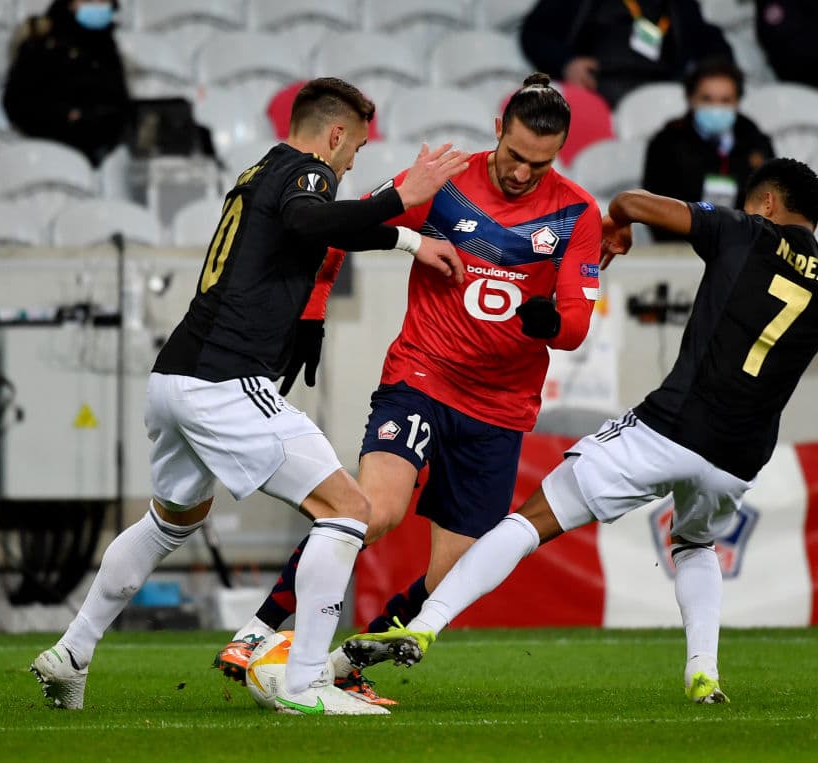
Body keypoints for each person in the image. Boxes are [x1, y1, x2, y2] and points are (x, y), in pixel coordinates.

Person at [344, 158, 818, 705]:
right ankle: (703, 673)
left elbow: (632, 201)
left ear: (766, 203)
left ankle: (424, 626)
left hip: (671, 427)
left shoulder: (743, 231)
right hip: (739, 458)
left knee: (529, 520)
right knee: (695, 545)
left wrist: (616, 226)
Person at [29, 77, 471, 717]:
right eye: (355, 148)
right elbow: (313, 219)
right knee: (348, 510)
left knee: (169, 521)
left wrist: (408, 240)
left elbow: (316, 229)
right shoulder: (310, 174)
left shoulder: (262, 169)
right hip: (225, 382)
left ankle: (72, 652)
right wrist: (403, 200)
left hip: (175, 376)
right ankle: (304, 683)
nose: (352, 163)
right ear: (336, 135)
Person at [213, 73, 604, 705]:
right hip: (421, 377)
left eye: (540, 164)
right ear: (497, 130)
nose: (521, 174)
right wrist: (312, 314)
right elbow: (342, 228)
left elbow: (578, 323)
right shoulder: (444, 182)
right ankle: (258, 630)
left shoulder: (577, 211)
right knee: (372, 511)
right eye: (514, 156)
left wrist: (551, 325)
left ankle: (342, 664)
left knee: (451, 581)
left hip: (500, 410)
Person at [643, 57, 774, 242]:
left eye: (725, 100)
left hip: (745, 245)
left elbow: (771, 202)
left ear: (737, 101)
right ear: (690, 98)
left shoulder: (757, 142)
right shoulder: (665, 144)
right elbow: (655, 207)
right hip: (682, 244)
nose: (716, 108)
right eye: (707, 99)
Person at [520, 0, 733, 108]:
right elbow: (534, 33)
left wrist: (707, 78)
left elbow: (711, 42)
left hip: (663, 93)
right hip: (596, 87)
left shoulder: (679, 4)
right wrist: (567, 63)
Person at [3, 0, 132, 167]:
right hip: (45, 155)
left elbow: (119, 102)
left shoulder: (107, 45)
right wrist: (68, 118)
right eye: (89, 0)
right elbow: (18, 102)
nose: (98, 6)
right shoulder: (43, 41)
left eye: (103, 1)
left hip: (100, 156)